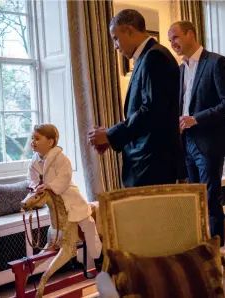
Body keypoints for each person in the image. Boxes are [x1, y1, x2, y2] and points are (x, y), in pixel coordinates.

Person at [87, 9, 185, 187]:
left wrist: (110, 135)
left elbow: (151, 112)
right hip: (148, 162)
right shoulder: (146, 57)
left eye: (116, 38)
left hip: (153, 164)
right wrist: (111, 138)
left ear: (129, 30)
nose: (116, 46)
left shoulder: (155, 57)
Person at [168, 21, 225, 247]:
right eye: (170, 41)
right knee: (194, 200)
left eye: (176, 38)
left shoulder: (216, 62)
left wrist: (196, 119)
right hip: (187, 142)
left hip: (210, 141)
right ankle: (200, 246)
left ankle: (215, 251)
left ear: (191, 34)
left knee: (210, 198)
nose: (173, 44)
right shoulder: (181, 69)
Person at [28, 124, 103, 269]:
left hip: (68, 194)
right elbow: (32, 178)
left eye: (37, 138)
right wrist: (34, 186)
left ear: (50, 142)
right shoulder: (34, 161)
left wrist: (50, 185)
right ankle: (61, 245)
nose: (33, 142)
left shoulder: (60, 158)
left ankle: (97, 254)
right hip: (51, 197)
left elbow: (65, 176)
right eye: (32, 138)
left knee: (87, 222)